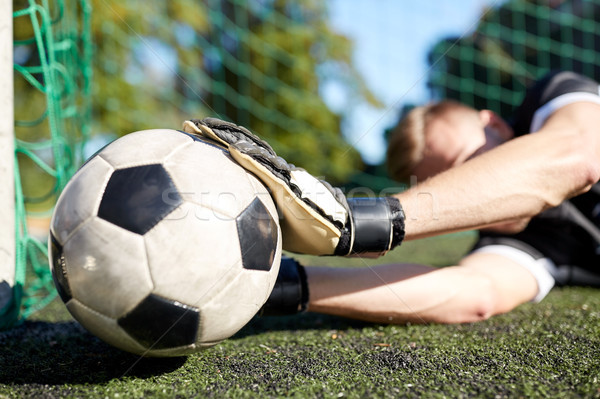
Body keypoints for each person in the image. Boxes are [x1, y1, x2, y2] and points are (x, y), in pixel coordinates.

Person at [184, 70, 600, 324]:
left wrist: (356, 224)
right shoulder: (514, 242)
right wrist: (272, 285)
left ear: (495, 125)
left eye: (469, 162)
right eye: (447, 182)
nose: (469, 188)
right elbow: (476, 292)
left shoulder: (555, 97)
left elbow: (577, 157)